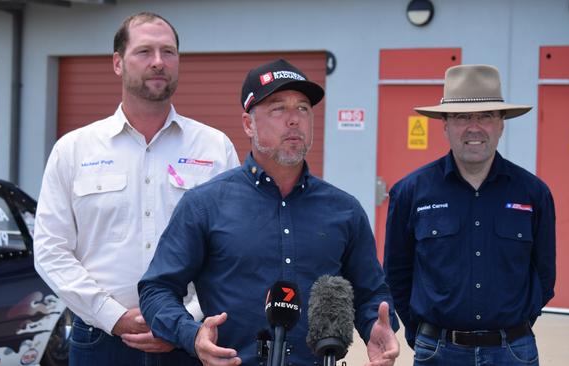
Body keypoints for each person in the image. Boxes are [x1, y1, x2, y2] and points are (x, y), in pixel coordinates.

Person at [138, 59, 400, 366]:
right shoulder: (204, 205)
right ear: (248, 124)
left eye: (303, 108)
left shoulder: (344, 210)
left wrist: (375, 326)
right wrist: (191, 334)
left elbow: (371, 293)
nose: (294, 120)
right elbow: (157, 289)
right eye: (278, 108)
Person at [33, 12, 239, 366]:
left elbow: (233, 247)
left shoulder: (214, 148)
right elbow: (51, 250)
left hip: (191, 341)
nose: (158, 62)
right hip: (100, 340)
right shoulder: (74, 150)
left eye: (168, 52)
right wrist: (111, 314)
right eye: (144, 52)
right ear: (117, 63)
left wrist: (181, 320)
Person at [383, 64, 556, 365]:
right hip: (437, 352)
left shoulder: (533, 194)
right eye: (462, 117)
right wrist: (424, 335)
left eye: (486, 116)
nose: (474, 127)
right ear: (445, 125)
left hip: (513, 353)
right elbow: (397, 274)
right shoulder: (410, 192)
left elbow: (544, 276)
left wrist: (512, 330)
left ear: (501, 124)